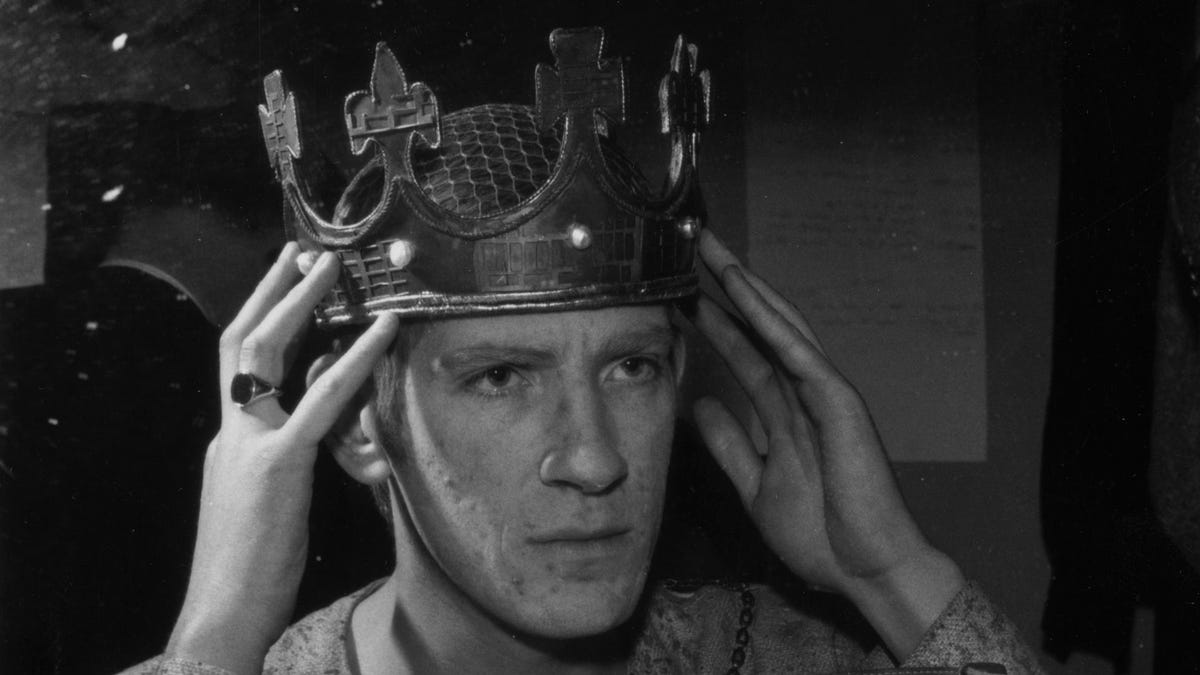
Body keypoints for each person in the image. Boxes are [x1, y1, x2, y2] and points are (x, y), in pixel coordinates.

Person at [122, 27, 1043, 674]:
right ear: (361, 423)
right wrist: (215, 637)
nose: (598, 459)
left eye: (631, 365)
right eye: (500, 377)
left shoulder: (775, 656)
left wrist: (893, 573)